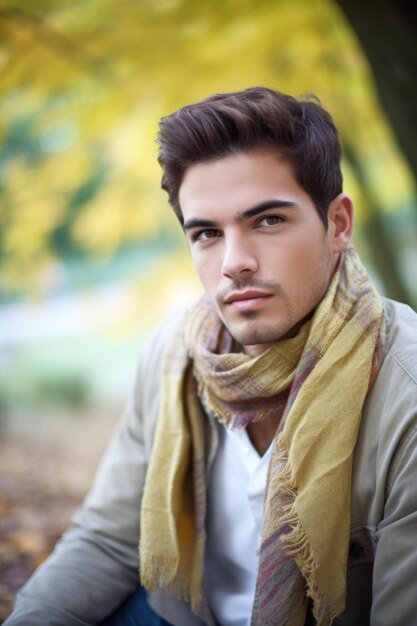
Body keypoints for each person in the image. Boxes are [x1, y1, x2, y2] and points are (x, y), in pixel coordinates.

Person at [5, 87, 417, 626]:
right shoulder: (175, 353)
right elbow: (108, 540)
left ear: (337, 224)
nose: (234, 263)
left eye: (268, 221)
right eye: (206, 233)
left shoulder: (404, 389)